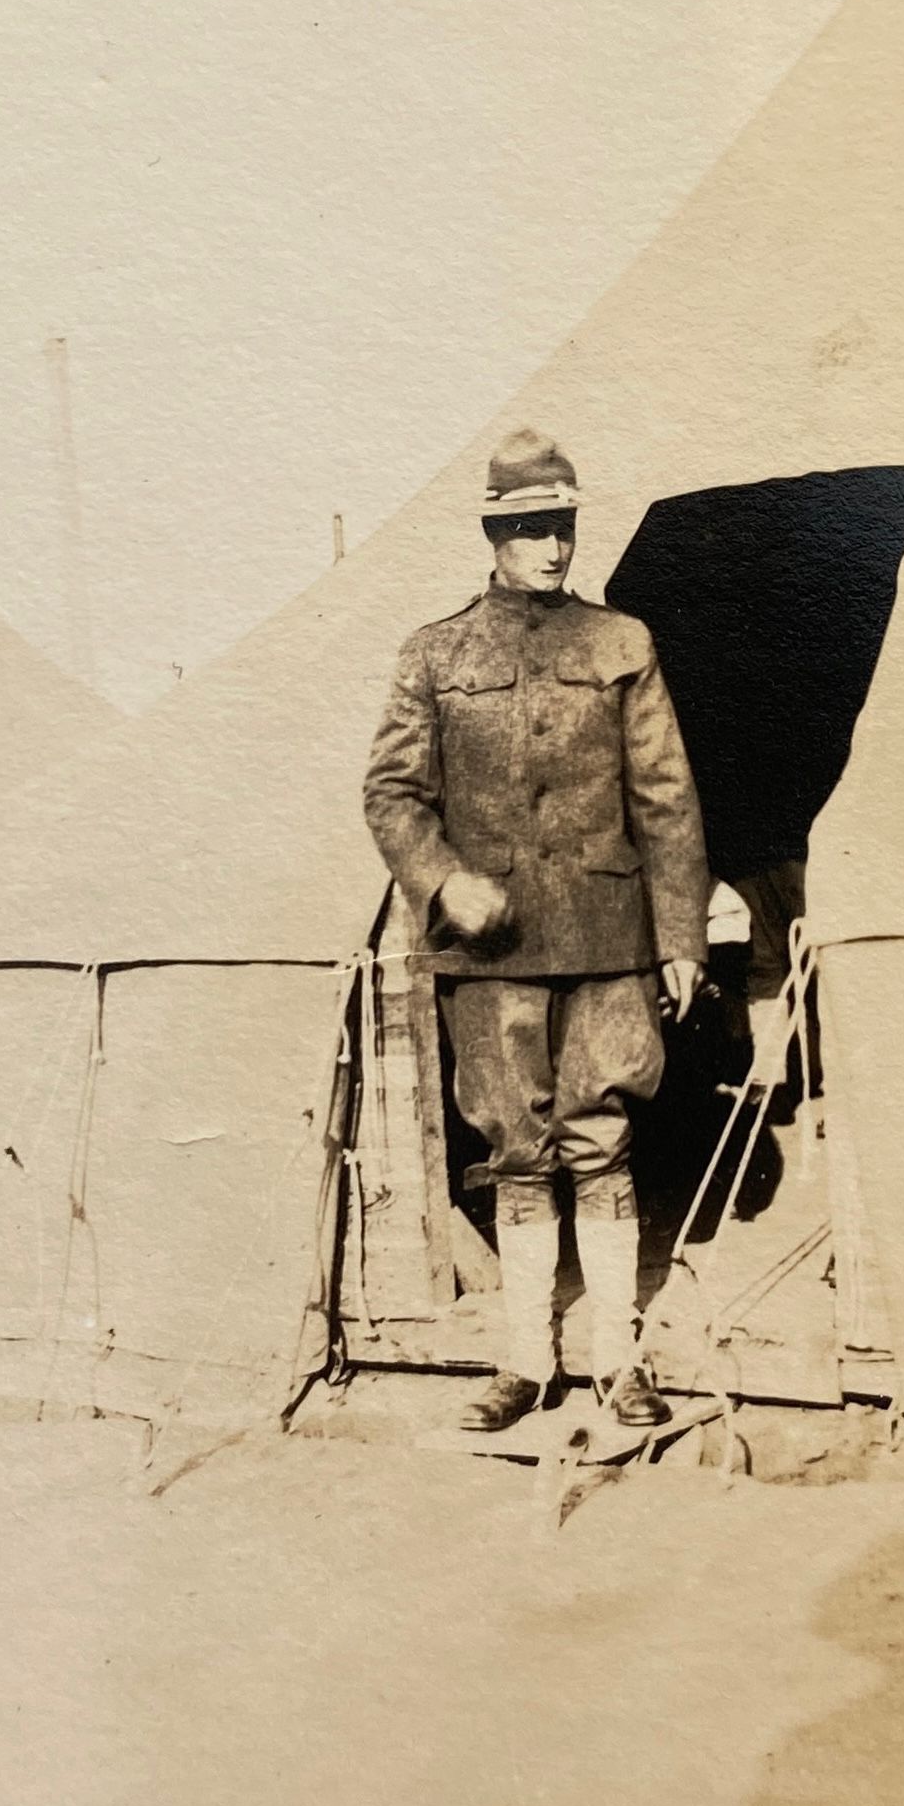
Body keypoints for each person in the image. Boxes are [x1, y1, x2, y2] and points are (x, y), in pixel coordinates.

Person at [363, 428, 711, 1429]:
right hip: (492, 952)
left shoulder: (620, 643)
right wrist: (443, 881)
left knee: (601, 1141)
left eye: (560, 526)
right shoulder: (434, 653)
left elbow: (665, 799)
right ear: (492, 535)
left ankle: (616, 1363)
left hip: (607, 938)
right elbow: (391, 793)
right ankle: (523, 1361)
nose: (550, 547)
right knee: (517, 1149)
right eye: (528, 530)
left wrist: (679, 937)